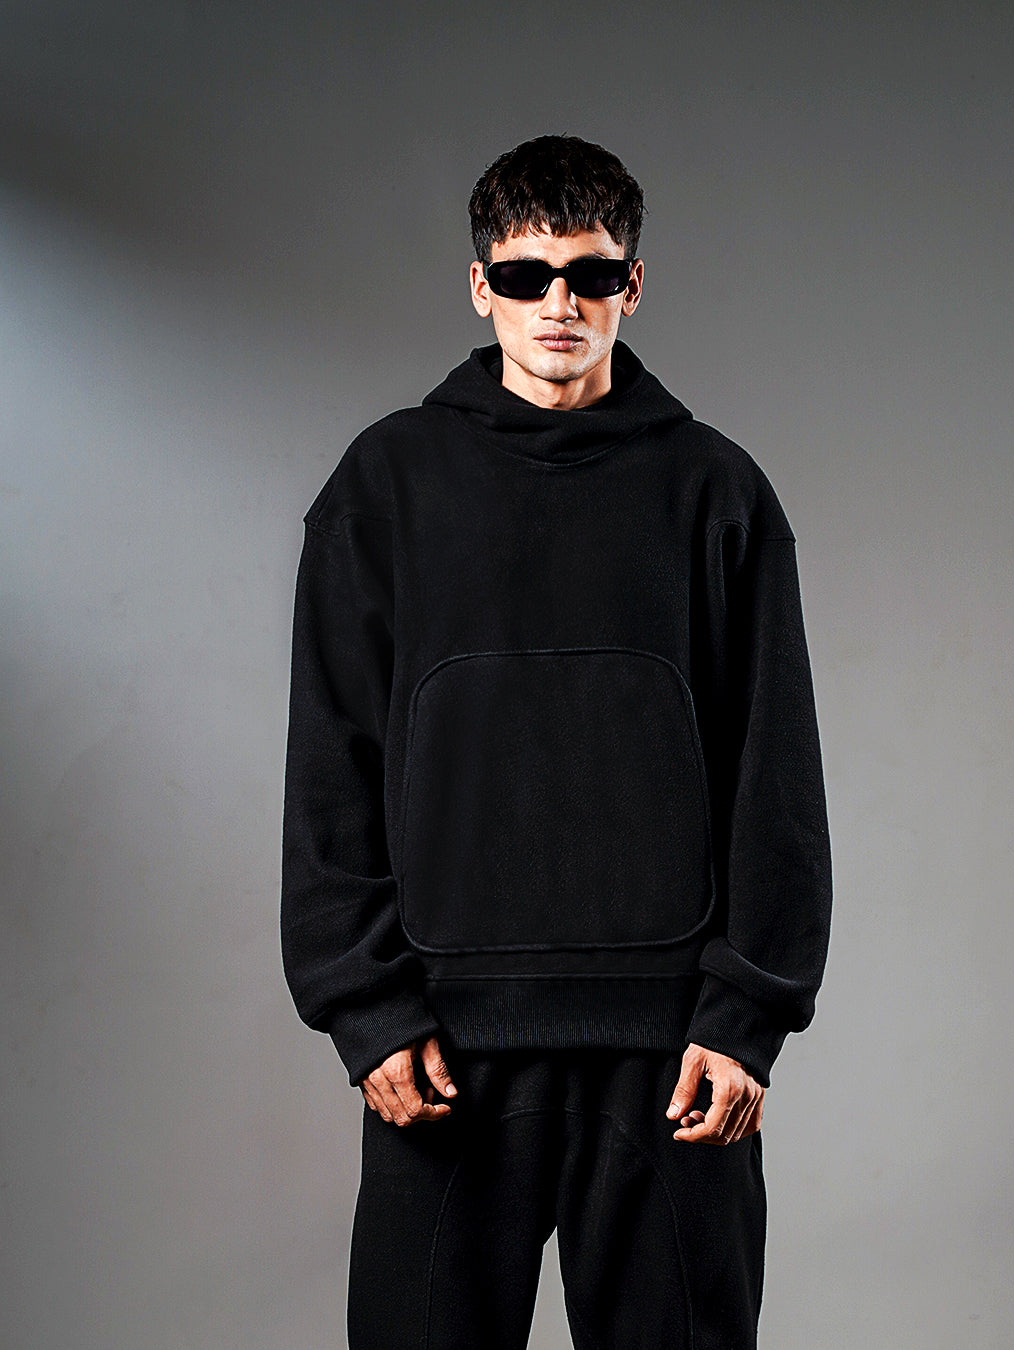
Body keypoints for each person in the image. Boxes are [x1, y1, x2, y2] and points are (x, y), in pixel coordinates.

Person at [281, 134, 831, 1350]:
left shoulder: (717, 493)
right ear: (481, 285)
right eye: (528, 277)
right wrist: (364, 1006)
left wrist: (748, 1015)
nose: (560, 306)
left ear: (633, 283)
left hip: (674, 1056)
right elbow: (331, 762)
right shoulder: (387, 486)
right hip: (442, 1048)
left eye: (589, 275)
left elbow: (776, 777)